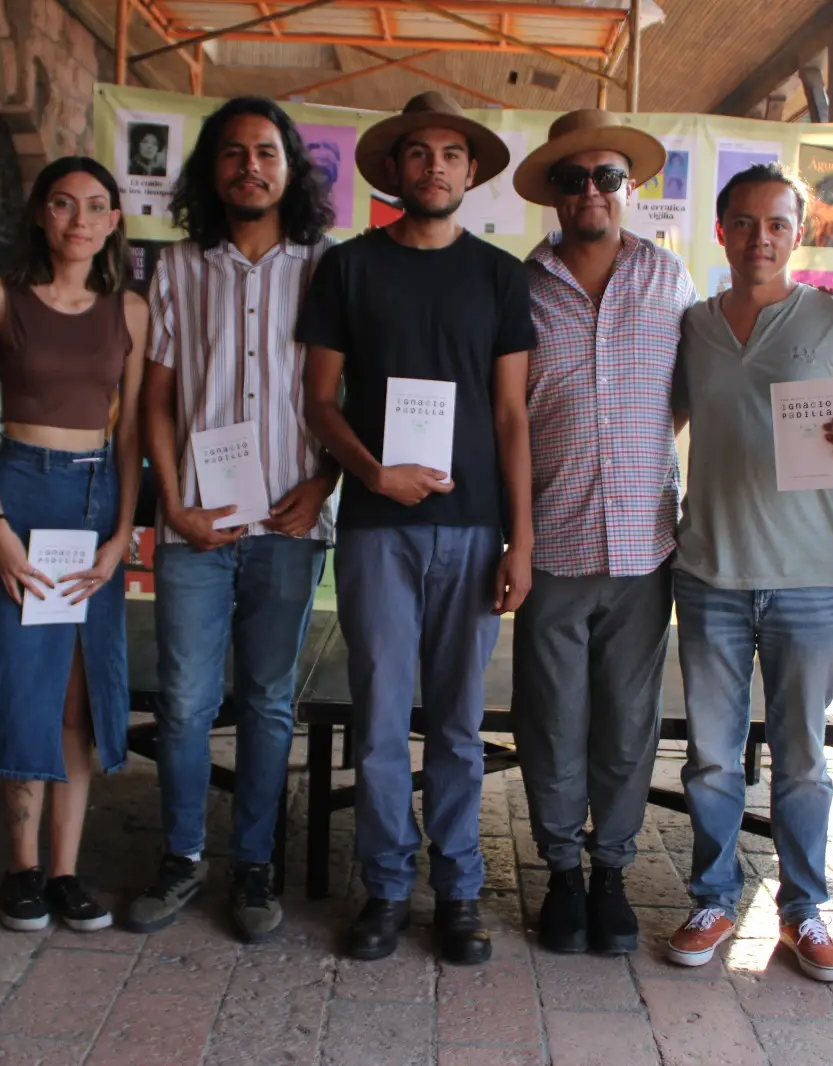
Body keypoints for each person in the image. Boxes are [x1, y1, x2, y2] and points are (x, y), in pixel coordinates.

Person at [297, 91, 534, 965]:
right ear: (394, 170)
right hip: (375, 528)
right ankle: (388, 886)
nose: (435, 166)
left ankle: (460, 890)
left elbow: (511, 417)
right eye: (419, 153)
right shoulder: (349, 268)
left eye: (451, 154)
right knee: (380, 716)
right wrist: (372, 474)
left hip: (471, 528)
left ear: (470, 172)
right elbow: (320, 400)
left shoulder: (500, 276)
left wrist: (521, 539)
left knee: (461, 724)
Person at [126, 98, 340, 942]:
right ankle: (182, 856)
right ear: (211, 170)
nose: (249, 166)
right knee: (183, 702)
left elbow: (347, 393)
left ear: (290, 166)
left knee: (268, 701)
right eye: (232, 152)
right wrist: (171, 503)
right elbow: (156, 397)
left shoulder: (326, 267)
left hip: (288, 521)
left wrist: (323, 483)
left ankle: (254, 865)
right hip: (197, 525)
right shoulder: (179, 267)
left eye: (265, 152)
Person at [666, 162, 833, 982]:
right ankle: (713, 898)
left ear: (799, 233)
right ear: (721, 231)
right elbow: (662, 419)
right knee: (711, 758)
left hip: (807, 578)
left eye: (779, 224)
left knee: (802, 759)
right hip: (709, 573)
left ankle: (803, 909)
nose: (762, 238)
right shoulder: (693, 326)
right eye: (746, 223)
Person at [508, 110, 695, 956]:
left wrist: (638, 456)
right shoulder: (520, 287)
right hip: (553, 542)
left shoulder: (670, 281)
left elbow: (686, 395)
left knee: (627, 722)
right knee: (551, 722)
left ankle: (612, 870)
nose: (591, 190)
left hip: (645, 549)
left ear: (631, 186)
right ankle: (561, 871)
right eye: (573, 177)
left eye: (607, 176)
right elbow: (506, 417)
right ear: (552, 192)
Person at [0, 156, 147, 933]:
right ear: (40, 213)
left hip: (94, 501)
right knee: (19, 683)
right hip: (18, 491)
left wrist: (123, 535)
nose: (79, 220)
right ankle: (21, 867)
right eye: (63, 204)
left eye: (96, 206)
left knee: (77, 696)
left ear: (113, 221)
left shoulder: (131, 311)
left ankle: (65, 872)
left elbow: (130, 433)